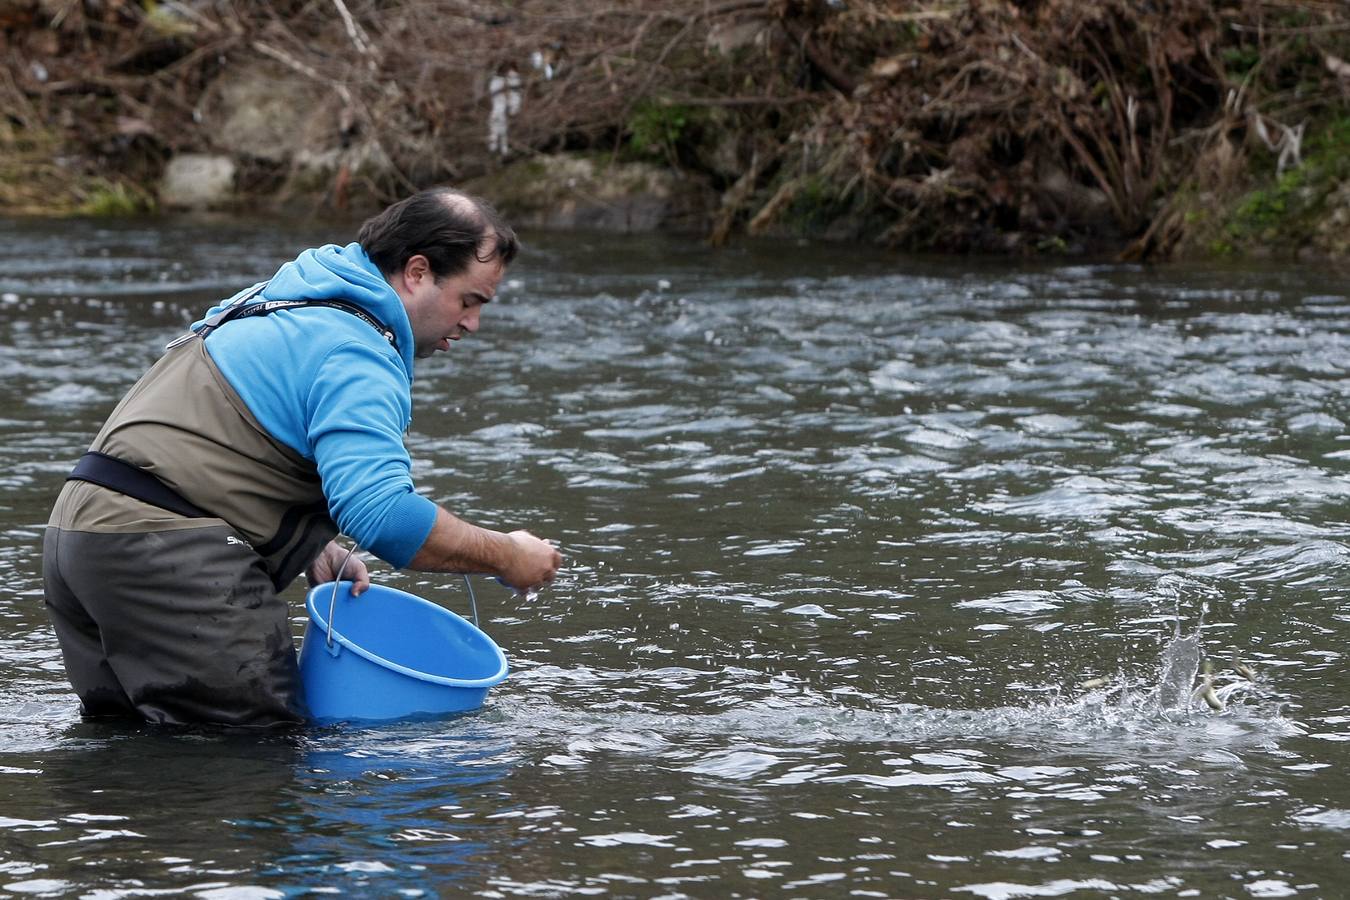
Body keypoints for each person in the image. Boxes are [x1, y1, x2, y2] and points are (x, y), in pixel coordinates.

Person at [42, 188, 561, 728]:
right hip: (164, 555)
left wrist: (307, 543)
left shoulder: (283, 297)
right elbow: (384, 516)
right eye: (470, 301)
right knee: (255, 764)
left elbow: (219, 443)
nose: (472, 324)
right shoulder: (359, 347)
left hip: (75, 542)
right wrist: (507, 555)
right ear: (417, 272)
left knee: (136, 760)